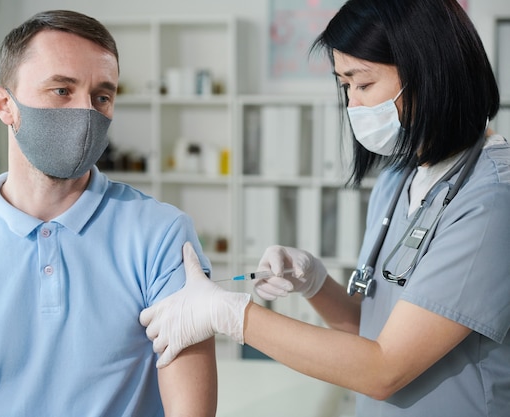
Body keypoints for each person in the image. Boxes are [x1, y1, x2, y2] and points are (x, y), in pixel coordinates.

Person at [139, 0, 510, 415]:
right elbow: (372, 329)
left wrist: (232, 315)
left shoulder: (492, 199)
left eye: (364, 84)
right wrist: (317, 284)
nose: (352, 106)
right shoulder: (398, 179)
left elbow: (384, 367)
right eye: (345, 86)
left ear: (430, 73)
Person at [0, 10, 217, 417]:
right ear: (6, 105)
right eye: (62, 90)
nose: (87, 113)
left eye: (102, 96)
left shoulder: (163, 235)